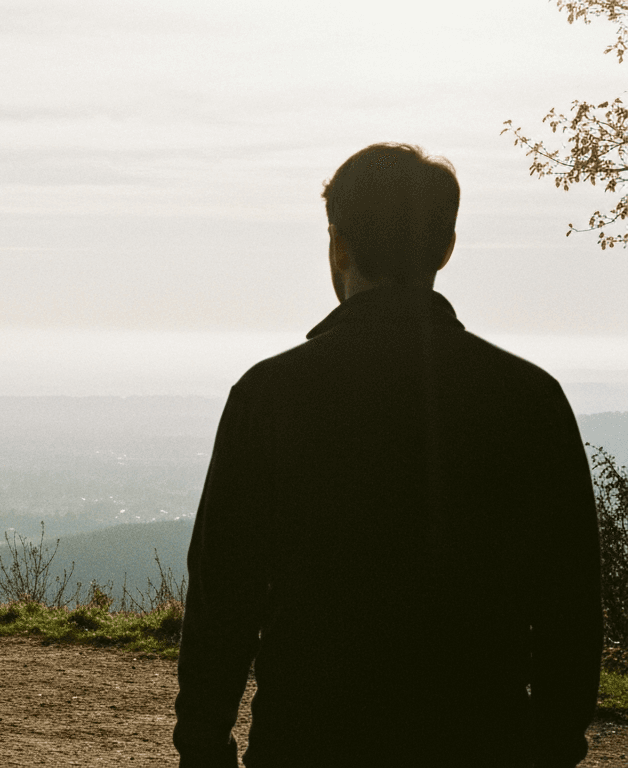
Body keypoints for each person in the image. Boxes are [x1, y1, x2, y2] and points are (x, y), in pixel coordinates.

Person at [173, 143, 601, 768]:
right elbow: (570, 605)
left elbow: (223, 596)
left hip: (307, 742)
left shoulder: (270, 395)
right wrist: (553, 746)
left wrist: (203, 748)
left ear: (339, 246)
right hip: (481, 742)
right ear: (445, 246)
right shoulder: (530, 398)